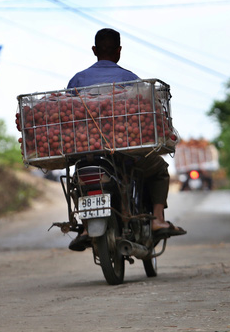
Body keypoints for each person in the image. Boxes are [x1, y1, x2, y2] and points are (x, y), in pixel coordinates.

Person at [67, 28, 186, 252]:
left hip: (88, 154)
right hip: (125, 154)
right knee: (159, 169)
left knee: (77, 181)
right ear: (119, 51)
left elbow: (67, 117)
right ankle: (158, 219)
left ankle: (85, 227)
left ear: (94, 50)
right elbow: (146, 112)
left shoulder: (78, 80)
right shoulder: (129, 79)